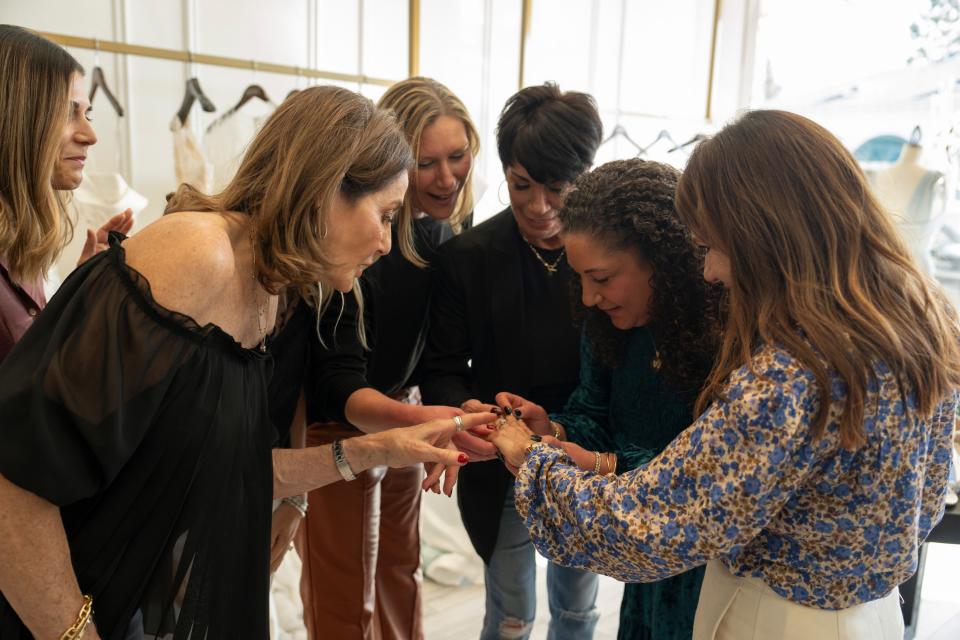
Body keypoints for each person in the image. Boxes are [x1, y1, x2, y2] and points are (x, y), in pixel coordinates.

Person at [0, 80, 494, 640]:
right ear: (325, 191)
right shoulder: (196, 254)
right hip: (57, 605)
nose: (386, 243)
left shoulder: (268, 289)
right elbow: (13, 482)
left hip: (121, 598)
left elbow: (224, 469)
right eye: (383, 216)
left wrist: (379, 448)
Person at [484, 109, 960, 640]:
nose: (707, 269)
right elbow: (929, 499)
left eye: (711, 246)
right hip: (872, 615)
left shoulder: (792, 371)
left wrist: (533, 459)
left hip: (777, 618)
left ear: (763, 232)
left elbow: (649, 525)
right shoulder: (926, 313)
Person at [495, 158, 721, 640]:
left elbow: (704, 477)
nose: (589, 297)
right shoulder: (608, 325)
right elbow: (592, 410)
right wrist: (550, 431)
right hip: (644, 568)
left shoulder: (726, 335)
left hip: (709, 565)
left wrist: (603, 464)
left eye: (601, 278)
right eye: (579, 279)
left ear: (661, 260)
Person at [299, 76, 487, 640]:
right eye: (427, 164)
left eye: (457, 157)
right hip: (339, 419)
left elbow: (439, 353)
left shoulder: (449, 229)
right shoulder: (358, 243)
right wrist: (428, 421)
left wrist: (437, 416)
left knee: (399, 569)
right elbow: (336, 378)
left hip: (403, 403)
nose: (447, 177)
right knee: (344, 587)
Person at [420, 82, 604, 639]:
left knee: (577, 607)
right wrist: (467, 407)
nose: (539, 205)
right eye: (521, 185)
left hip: (583, 454)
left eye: (557, 188)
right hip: (501, 460)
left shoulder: (609, 256)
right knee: (511, 614)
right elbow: (441, 368)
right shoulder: (468, 258)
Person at [0, 25, 132, 363]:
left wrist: (79, 291)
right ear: (15, 117)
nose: (90, 135)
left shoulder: (19, 247)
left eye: (86, 114)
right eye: (66, 112)